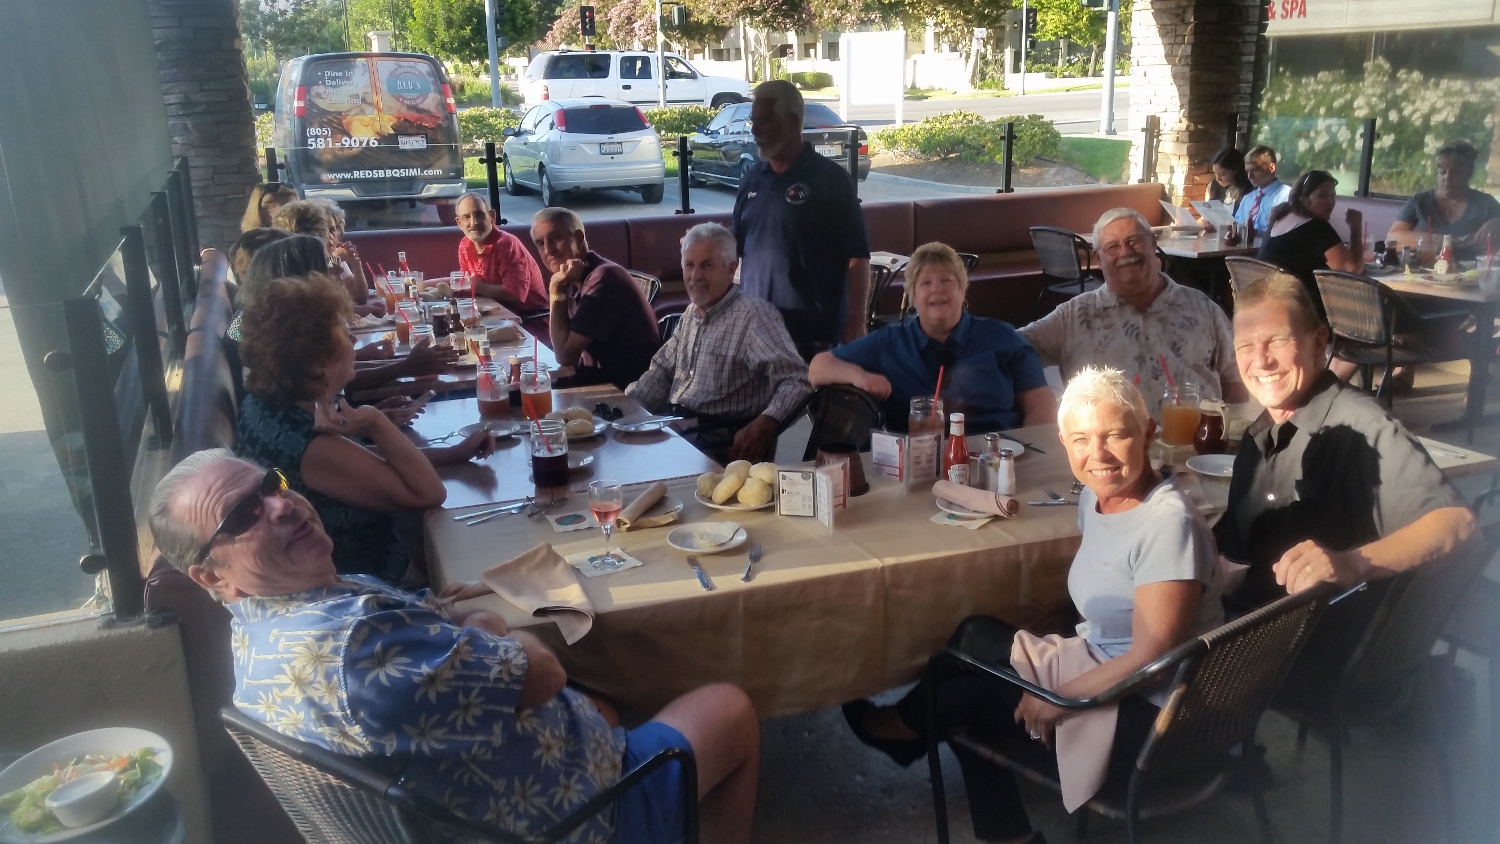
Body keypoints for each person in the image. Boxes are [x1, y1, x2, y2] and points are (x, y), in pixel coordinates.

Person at [148, 450, 761, 844]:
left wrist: (451, 614)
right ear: (210, 576)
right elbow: (542, 673)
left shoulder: (260, 631)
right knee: (728, 706)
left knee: (601, 705)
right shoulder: (356, 648)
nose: (281, 505)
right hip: (565, 820)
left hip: (458, 800)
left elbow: (424, 638)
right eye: (243, 516)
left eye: (271, 484)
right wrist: (488, 621)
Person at [842, 367, 1223, 844]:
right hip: (1107, 666)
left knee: (960, 701)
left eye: (1116, 436)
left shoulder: (1168, 526)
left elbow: (1155, 663)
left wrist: (1057, 699)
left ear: (1147, 434)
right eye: (1081, 439)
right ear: (1062, 441)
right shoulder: (1098, 499)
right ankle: (910, 734)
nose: (1098, 455)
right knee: (971, 635)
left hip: (1152, 720)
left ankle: (906, 736)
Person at [1216, 274, 1475, 696]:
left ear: (1320, 342)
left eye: (1277, 341)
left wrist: (1352, 564)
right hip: (1250, 628)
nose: (1260, 361)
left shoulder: (1363, 427)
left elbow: (1458, 524)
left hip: (1309, 655)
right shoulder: (1262, 431)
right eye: (1246, 346)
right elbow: (1239, 563)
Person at [235, 275, 492, 583]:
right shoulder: (309, 445)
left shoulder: (267, 404)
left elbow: (360, 462)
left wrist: (452, 453)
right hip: (374, 582)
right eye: (346, 333)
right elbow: (429, 493)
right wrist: (373, 420)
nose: (355, 341)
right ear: (318, 365)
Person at [1019, 208, 1249, 413]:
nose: (1125, 252)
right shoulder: (1073, 316)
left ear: (1153, 244)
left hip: (1191, 448)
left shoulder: (1202, 307)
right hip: (1106, 449)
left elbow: (1236, 378)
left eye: (1134, 240)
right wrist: (1037, 408)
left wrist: (1225, 432)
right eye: (1112, 247)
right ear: (1098, 258)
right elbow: (1012, 348)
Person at [811, 242, 1055, 432]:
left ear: (962, 289)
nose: (937, 289)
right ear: (913, 297)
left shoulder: (1002, 338)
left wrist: (1028, 455)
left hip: (997, 458)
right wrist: (860, 377)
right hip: (922, 463)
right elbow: (818, 367)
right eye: (925, 283)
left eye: (947, 280)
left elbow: (1040, 404)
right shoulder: (889, 343)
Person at [627, 223, 812, 462]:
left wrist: (766, 423)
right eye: (689, 265)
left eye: (707, 265)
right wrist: (625, 411)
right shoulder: (692, 312)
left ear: (731, 268)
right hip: (677, 433)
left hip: (717, 445)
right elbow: (661, 370)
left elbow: (799, 380)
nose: (695, 276)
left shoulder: (754, 317)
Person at [732, 80, 871, 359]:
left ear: (793, 122)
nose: (755, 129)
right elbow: (733, 246)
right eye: (752, 121)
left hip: (813, 336)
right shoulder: (752, 178)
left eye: (764, 121)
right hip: (755, 333)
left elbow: (858, 257)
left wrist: (856, 321)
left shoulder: (831, 179)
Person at [533, 207, 660, 389]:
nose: (548, 250)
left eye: (555, 239)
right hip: (594, 383)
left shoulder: (604, 279)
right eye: (540, 243)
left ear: (578, 238)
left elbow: (564, 355)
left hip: (625, 395)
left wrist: (555, 289)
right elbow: (565, 354)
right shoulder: (571, 278)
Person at [1256, 170, 1364, 317]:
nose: (1330, 201)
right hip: (1304, 313)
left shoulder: (1281, 217)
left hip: (1270, 305)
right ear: (1304, 199)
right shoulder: (1316, 227)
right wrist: (1355, 227)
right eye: (1322, 196)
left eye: (1333, 196)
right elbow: (1351, 269)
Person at [1387, 140, 1500, 259]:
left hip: (1470, 274)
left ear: (1469, 173)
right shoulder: (1420, 201)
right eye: (1443, 172)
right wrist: (1445, 241)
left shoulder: (1486, 204)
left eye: (1455, 172)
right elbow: (1393, 238)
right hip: (1423, 271)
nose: (1447, 177)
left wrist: (1497, 222)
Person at [455, 192, 548, 313]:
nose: (474, 223)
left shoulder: (507, 244)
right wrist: (424, 286)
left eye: (479, 215)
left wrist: (477, 287)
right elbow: (466, 282)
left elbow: (516, 295)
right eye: (467, 217)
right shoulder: (464, 245)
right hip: (493, 315)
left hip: (528, 321)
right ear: (459, 223)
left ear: (492, 216)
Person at [271, 199, 371, 309]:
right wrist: (331, 271)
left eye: (332, 230)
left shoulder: (333, 255)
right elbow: (322, 310)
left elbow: (359, 299)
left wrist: (356, 265)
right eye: (323, 231)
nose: (329, 236)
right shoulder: (293, 263)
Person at [1233, 145, 1292, 235]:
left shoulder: (1287, 196)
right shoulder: (1248, 198)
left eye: (1255, 170)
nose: (1249, 176)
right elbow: (1236, 227)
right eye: (1247, 171)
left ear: (1272, 168)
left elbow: (1286, 233)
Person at [1208, 147, 1253, 212]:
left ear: (1236, 170)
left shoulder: (1248, 191)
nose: (1218, 179)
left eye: (1222, 174)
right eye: (1215, 173)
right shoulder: (1215, 186)